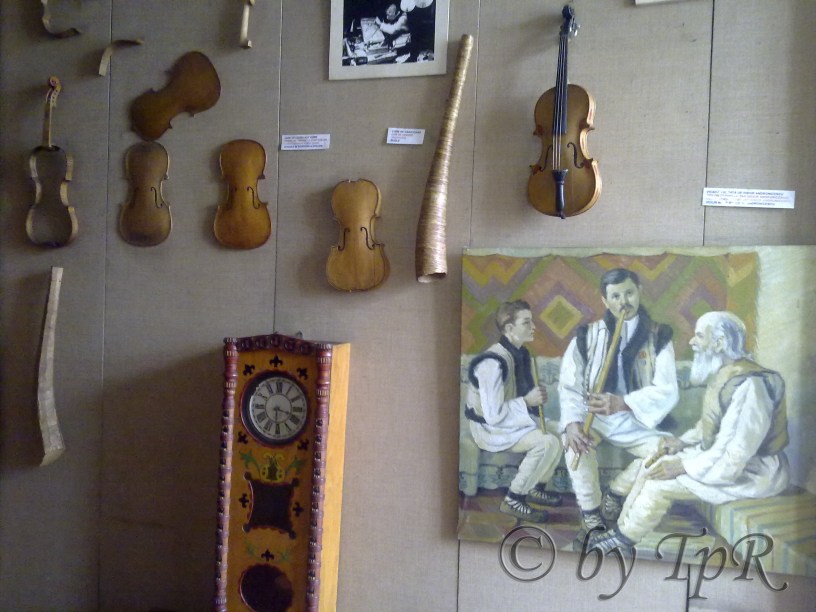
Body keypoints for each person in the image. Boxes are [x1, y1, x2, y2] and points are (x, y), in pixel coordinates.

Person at [589, 311, 790, 553]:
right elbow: (709, 427)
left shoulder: (751, 386)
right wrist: (681, 442)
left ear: (719, 343)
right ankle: (620, 522)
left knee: (658, 483)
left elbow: (736, 453)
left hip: (754, 472)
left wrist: (683, 466)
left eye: (700, 336)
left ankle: (624, 539)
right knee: (650, 463)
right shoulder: (729, 373)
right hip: (724, 460)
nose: (692, 342)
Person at [559, 268, 678, 537]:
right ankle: (591, 511)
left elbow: (668, 390)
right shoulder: (586, 336)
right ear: (605, 301)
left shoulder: (659, 335)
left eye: (629, 293)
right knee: (574, 443)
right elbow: (569, 385)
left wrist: (623, 403)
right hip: (596, 418)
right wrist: (573, 423)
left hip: (637, 419)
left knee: (669, 453)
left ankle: (617, 490)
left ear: (640, 292)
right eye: (615, 296)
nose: (624, 301)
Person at [465, 300, 563, 522]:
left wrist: (533, 401)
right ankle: (513, 499)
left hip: (510, 420)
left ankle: (535, 487)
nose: (534, 327)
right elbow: (493, 415)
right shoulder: (492, 363)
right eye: (527, 322)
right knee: (547, 442)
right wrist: (527, 401)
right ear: (509, 328)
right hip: (489, 428)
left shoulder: (521, 353)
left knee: (560, 433)